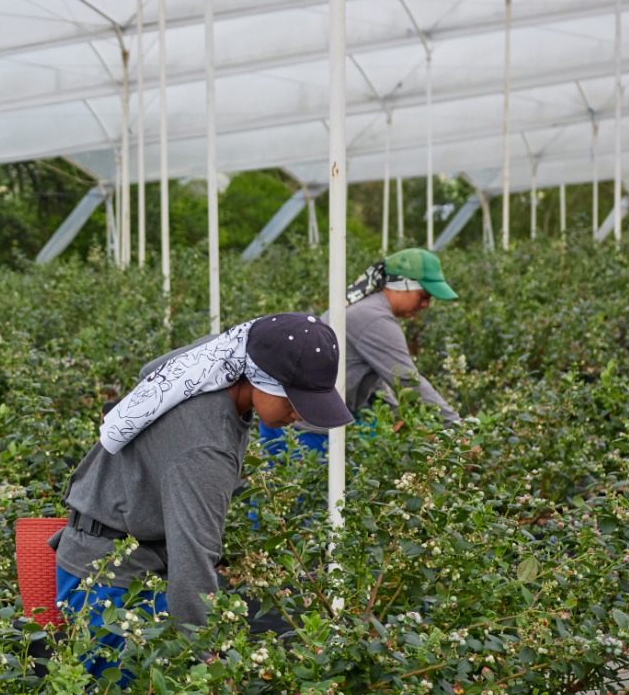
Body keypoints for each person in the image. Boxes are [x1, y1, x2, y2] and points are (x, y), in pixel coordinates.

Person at [50, 313, 354, 645]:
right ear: (259, 378)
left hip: (106, 556)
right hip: (110, 584)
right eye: (296, 400)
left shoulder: (211, 364)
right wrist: (203, 658)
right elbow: (192, 558)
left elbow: (149, 369)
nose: (301, 414)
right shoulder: (207, 445)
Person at [260, 247, 461, 458]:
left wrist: (397, 416)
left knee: (275, 487)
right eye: (424, 295)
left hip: (280, 417)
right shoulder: (375, 319)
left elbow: (374, 379)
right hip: (307, 430)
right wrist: (457, 429)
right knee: (327, 490)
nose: (426, 305)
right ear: (402, 285)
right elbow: (407, 380)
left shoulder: (358, 305)